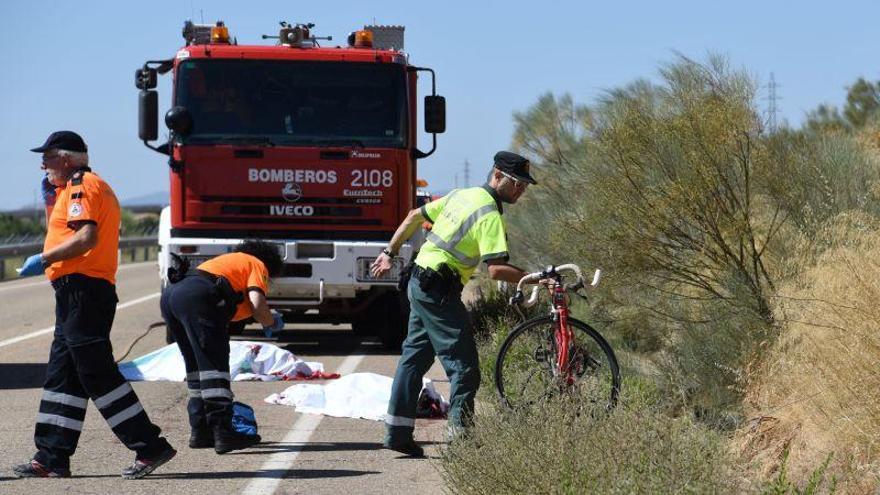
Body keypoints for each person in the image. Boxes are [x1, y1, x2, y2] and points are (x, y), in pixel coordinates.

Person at [14, 131, 176, 479]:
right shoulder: (71, 189)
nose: (43, 165)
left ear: (68, 159)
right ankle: (52, 456)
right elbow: (68, 231)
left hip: (84, 292)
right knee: (63, 374)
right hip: (74, 293)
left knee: (95, 372)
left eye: (49, 157)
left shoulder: (81, 185)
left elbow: (86, 237)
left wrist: (43, 259)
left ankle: (150, 446)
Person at [370, 151, 538, 457]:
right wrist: (537, 279)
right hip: (438, 291)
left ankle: (397, 432)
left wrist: (389, 252)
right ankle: (461, 439)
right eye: (516, 182)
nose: (521, 190)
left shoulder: (462, 195)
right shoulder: (489, 213)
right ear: (497, 176)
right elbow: (496, 269)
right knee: (464, 367)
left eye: (525, 185)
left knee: (414, 358)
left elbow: (413, 216)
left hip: (418, 283)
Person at [159, 240, 284, 454]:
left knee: (197, 368)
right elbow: (256, 303)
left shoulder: (228, 262)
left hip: (172, 295)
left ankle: (201, 431)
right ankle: (223, 432)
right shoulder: (256, 264)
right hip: (198, 297)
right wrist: (271, 321)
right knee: (214, 366)